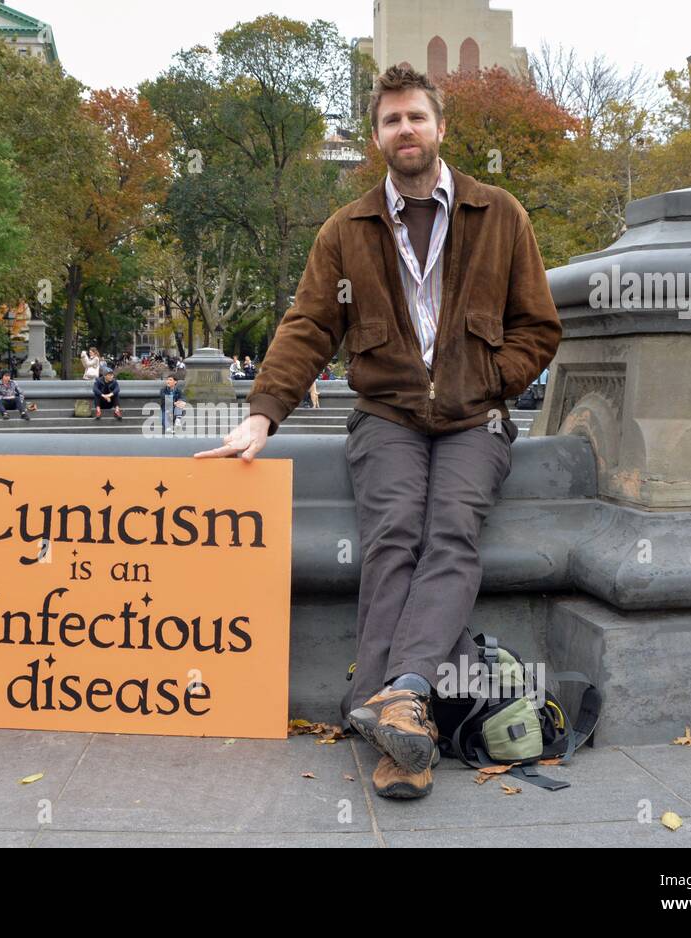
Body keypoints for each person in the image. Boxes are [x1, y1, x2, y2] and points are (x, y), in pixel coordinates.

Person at [194, 63, 561, 801]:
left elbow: (540, 329)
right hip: (387, 415)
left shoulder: (501, 215)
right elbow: (307, 327)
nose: (405, 131)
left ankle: (395, 703)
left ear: (439, 127)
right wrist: (261, 415)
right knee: (394, 532)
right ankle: (408, 714)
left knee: (452, 530)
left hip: (474, 417)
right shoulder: (347, 230)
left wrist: (489, 380)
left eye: (416, 117)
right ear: (377, 137)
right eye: (391, 121)